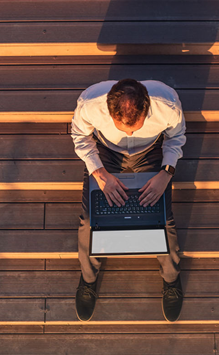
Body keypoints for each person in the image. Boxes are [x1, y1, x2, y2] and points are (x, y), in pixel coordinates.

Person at [71, 78, 186, 322]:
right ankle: (88, 279)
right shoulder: (90, 103)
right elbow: (80, 136)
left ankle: (171, 278)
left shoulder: (168, 104)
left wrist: (166, 173)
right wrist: (99, 173)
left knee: (163, 220)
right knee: (90, 220)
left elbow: (176, 138)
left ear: (147, 107)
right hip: (106, 154)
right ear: (109, 110)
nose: (131, 133)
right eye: (124, 127)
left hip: (151, 152)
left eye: (136, 127)